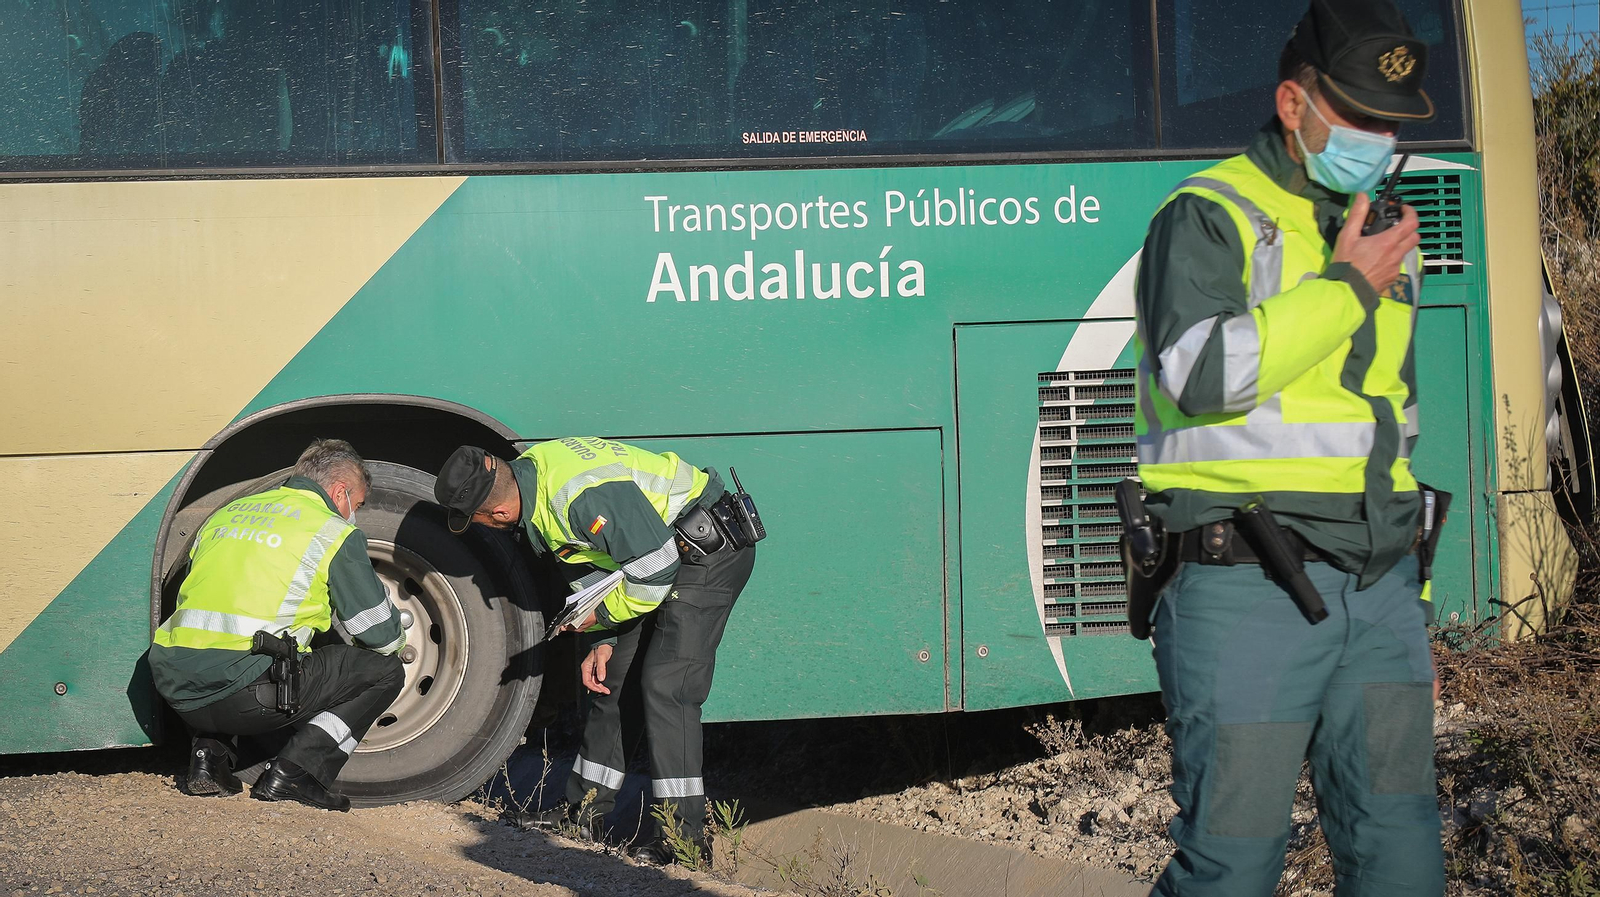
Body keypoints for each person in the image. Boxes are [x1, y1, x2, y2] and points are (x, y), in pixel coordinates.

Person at [1132, 1, 1442, 894]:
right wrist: (1346, 287)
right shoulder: (1208, 212)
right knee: (1230, 863)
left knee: (1401, 849)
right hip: (1245, 585)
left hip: (1379, 589)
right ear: (1293, 103)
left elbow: (1390, 418)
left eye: (1392, 123)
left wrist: (1408, 582)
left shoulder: (1386, 236)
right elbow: (1198, 376)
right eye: (1359, 115)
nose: (1379, 139)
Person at [433, 438, 757, 863]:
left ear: (499, 514)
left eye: (477, 521)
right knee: (611, 679)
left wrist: (601, 617)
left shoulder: (577, 495)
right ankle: (583, 813)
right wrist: (602, 640)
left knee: (667, 686)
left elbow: (656, 571)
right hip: (657, 553)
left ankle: (685, 839)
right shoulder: (532, 479)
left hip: (706, 550)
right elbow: (590, 562)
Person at [148, 439, 405, 812]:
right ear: (340, 493)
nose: (355, 515)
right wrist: (392, 629)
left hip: (177, 688)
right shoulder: (331, 531)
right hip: (246, 697)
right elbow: (380, 635)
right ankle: (297, 772)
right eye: (358, 505)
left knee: (231, 649)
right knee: (386, 671)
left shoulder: (227, 514)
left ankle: (209, 758)